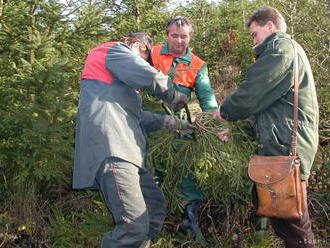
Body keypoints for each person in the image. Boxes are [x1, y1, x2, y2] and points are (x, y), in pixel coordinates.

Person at [73, 32, 193, 248]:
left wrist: (175, 123)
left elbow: (138, 118)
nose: (144, 64)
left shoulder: (120, 85)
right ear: (136, 45)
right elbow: (147, 75)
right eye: (144, 58)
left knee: (154, 208)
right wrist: (173, 95)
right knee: (133, 227)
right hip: (113, 148)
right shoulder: (111, 51)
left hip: (129, 155)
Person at [218, 7, 319, 248]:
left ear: (270, 26)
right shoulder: (282, 51)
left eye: (255, 33)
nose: (253, 40)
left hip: (286, 148)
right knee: (284, 219)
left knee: (293, 220)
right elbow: (268, 109)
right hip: (282, 145)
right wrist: (238, 132)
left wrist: (224, 111)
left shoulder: (280, 49)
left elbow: (253, 93)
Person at [151, 16, 220, 235]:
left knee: (186, 169)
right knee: (151, 168)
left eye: (184, 36)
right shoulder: (151, 53)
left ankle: (189, 222)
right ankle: (152, 221)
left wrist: (216, 124)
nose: (179, 41)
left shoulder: (198, 65)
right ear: (167, 35)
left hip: (180, 124)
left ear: (190, 36)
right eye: (174, 36)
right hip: (149, 123)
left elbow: (207, 99)